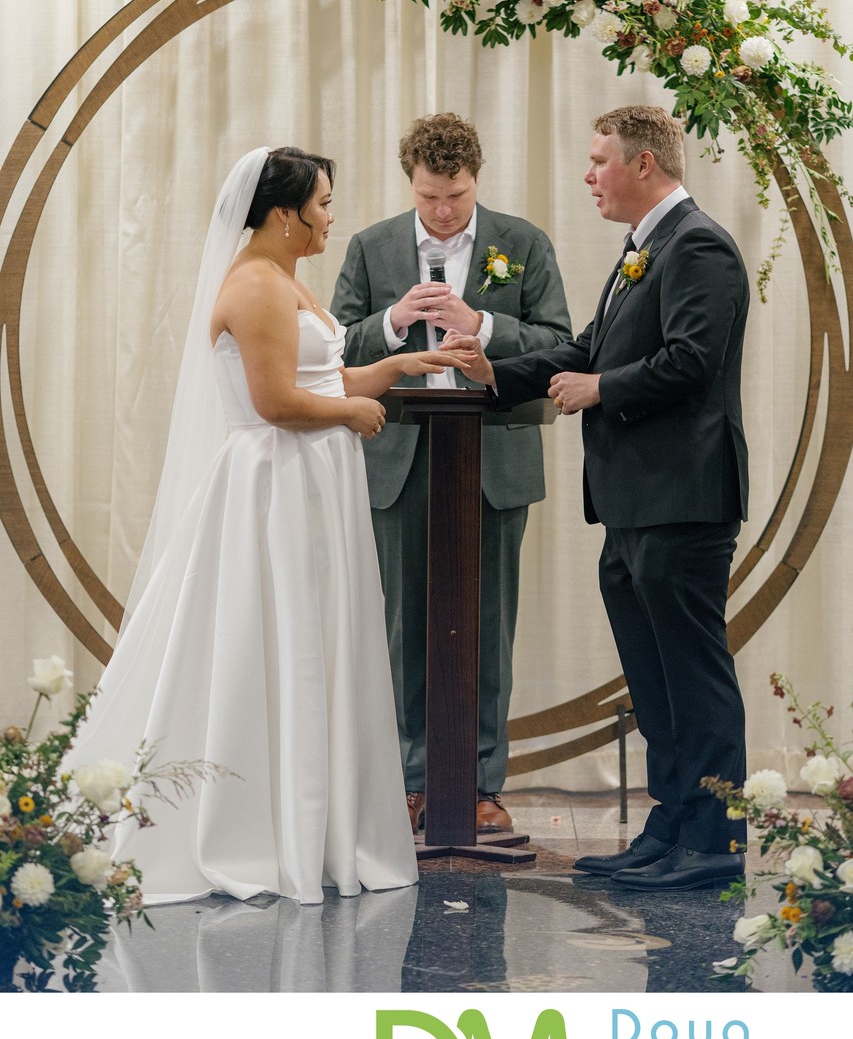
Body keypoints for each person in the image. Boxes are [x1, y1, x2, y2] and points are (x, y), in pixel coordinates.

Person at [63, 146, 473, 906]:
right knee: (277, 641)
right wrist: (352, 412)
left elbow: (319, 375)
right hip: (276, 481)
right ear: (282, 213)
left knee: (313, 638)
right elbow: (274, 403)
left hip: (312, 477)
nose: (328, 218)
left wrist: (390, 373)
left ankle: (312, 822)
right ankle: (255, 831)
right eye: (319, 204)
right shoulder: (253, 285)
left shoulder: (284, 277)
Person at [445, 106, 749, 890]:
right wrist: (493, 372)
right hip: (632, 501)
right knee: (653, 683)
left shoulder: (699, 245)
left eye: (598, 160)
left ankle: (712, 843)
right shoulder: (640, 249)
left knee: (693, 677)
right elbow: (585, 347)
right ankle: (670, 824)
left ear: (643, 164)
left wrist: (600, 387)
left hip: (682, 497)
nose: (588, 174)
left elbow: (690, 361)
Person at [331, 113, 572, 834]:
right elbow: (334, 346)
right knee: (404, 623)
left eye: (456, 197)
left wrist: (484, 326)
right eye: (429, 196)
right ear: (411, 182)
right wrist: (392, 321)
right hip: (399, 457)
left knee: (487, 624)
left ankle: (480, 782)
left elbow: (562, 342)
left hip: (491, 453)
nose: (441, 212)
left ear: (476, 180)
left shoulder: (523, 242)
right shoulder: (371, 246)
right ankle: (410, 778)